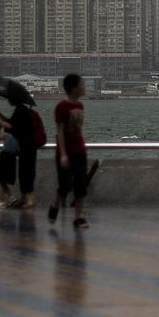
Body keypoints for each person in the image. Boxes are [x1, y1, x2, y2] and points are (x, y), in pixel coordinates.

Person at [48, 74, 89, 228]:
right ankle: (55, 206)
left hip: (80, 151)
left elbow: (78, 129)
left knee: (80, 185)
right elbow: (60, 131)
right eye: (81, 85)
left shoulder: (80, 106)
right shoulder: (61, 107)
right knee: (64, 186)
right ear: (73, 88)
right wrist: (63, 155)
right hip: (65, 152)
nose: (83, 87)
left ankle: (78, 218)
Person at [6, 99, 43, 210]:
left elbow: (11, 127)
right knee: (25, 171)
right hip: (28, 146)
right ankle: (24, 198)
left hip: (26, 146)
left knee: (26, 172)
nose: (8, 100)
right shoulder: (23, 110)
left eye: (9, 98)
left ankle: (30, 198)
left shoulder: (20, 111)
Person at [0, 107, 18, 207]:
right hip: (12, 158)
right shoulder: (17, 136)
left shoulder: (7, 135)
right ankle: (11, 198)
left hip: (4, 157)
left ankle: (2, 201)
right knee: (2, 180)